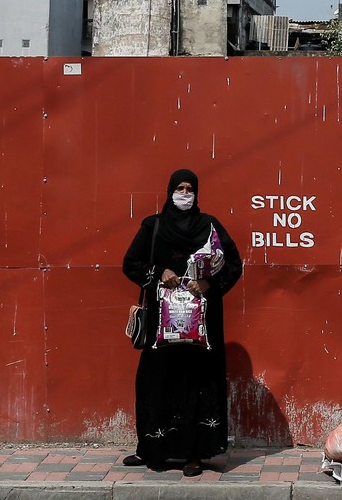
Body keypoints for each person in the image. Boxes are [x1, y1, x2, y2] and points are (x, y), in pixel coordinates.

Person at [121, 169, 243, 477]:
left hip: (201, 325)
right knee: (156, 378)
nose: (184, 193)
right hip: (163, 324)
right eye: (180, 188)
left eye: (189, 188)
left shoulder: (209, 226)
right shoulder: (154, 226)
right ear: (169, 191)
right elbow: (131, 263)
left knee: (197, 382)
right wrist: (159, 271)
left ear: (197, 193)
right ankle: (154, 449)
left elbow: (233, 263)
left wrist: (209, 284)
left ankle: (195, 454)